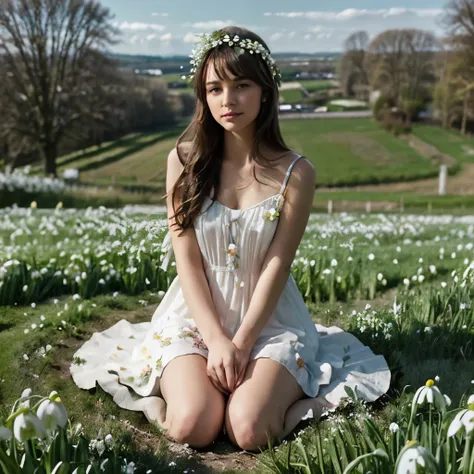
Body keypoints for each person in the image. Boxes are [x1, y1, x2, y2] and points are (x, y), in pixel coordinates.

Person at [70, 25, 390, 452]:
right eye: (215, 88)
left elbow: (278, 263)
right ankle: (189, 396)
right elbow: (187, 260)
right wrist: (218, 340)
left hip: (270, 322)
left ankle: (291, 405)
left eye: (241, 85)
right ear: (203, 96)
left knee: (250, 430)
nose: (228, 100)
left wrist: (241, 342)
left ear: (265, 91)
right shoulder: (183, 162)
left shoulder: (297, 173)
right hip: (195, 316)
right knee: (193, 425)